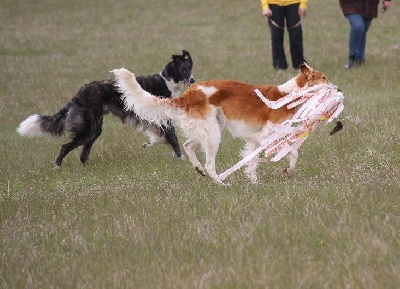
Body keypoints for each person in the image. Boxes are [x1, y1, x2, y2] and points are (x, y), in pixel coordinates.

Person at [340, 0, 391, 69]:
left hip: (369, 5)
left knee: (363, 30)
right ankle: (352, 57)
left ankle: (359, 58)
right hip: (350, 3)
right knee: (358, 26)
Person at [261, 0, 308, 71]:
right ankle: (279, 65)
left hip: (294, 3)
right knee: (276, 36)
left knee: (296, 35)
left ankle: (299, 64)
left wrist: (303, 4)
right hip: (273, 4)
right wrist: (265, 7)